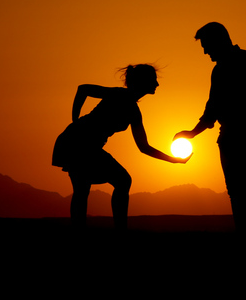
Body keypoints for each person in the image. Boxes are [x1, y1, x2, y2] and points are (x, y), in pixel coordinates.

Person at [52, 64, 189, 230]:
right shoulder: (119, 94)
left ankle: (88, 231)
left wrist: (173, 160)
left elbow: (144, 147)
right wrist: (75, 120)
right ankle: (120, 230)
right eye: (153, 80)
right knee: (119, 181)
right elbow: (83, 89)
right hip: (77, 142)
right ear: (142, 82)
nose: (157, 84)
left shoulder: (134, 111)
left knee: (84, 189)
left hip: (81, 144)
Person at [174, 22, 246, 232]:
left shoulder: (223, 69)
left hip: (236, 133)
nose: (205, 51)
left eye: (206, 45)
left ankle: (245, 231)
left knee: (238, 188)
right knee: (244, 186)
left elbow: (213, 109)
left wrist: (192, 133)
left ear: (218, 41)